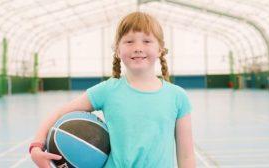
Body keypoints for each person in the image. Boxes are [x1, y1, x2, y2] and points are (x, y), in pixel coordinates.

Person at [30, 11, 195, 168]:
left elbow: (186, 155)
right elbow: (60, 113)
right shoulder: (108, 90)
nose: (138, 47)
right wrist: (36, 146)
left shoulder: (177, 97)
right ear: (117, 50)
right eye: (129, 41)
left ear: (160, 49)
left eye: (146, 41)